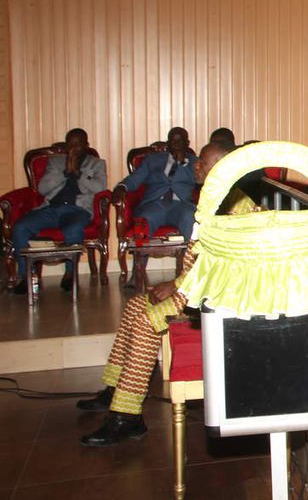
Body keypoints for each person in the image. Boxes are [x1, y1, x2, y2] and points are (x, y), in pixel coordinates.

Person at [76, 140, 255, 446]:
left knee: (147, 321)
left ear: (222, 168)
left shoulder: (236, 205)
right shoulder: (215, 197)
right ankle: (116, 388)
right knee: (134, 306)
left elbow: (227, 263)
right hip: (196, 284)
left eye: (203, 162)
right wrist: (180, 280)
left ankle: (127, 417)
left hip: (213, 291)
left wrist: (177, 284)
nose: (196, 165)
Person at [11, 128, 107, 294]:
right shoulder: (55, 162)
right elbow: (42, 189)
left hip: (78, 210)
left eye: (78, 144)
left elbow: (100, 188)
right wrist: (65, 172)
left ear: (86, 145)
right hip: (51, 209)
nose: (74, 148)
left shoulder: (97, 164)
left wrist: (78, 173)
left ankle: (70, 274)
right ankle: (26, 276)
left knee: (73, 229)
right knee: (20, 227)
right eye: (70, 144)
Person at [113, 127, 198, 239]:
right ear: (168, 143)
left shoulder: (196, 162)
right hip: (155, 204)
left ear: (187, 143)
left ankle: (192, 255)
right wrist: (122, 187)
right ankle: (141, 255)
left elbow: (202, 182)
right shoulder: (152, 160)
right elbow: (136, 178)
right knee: (144, 222)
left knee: (189, 218)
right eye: (173, 141)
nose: (177, 144)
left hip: (181, 205)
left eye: (180, 140)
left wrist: (181, 163)